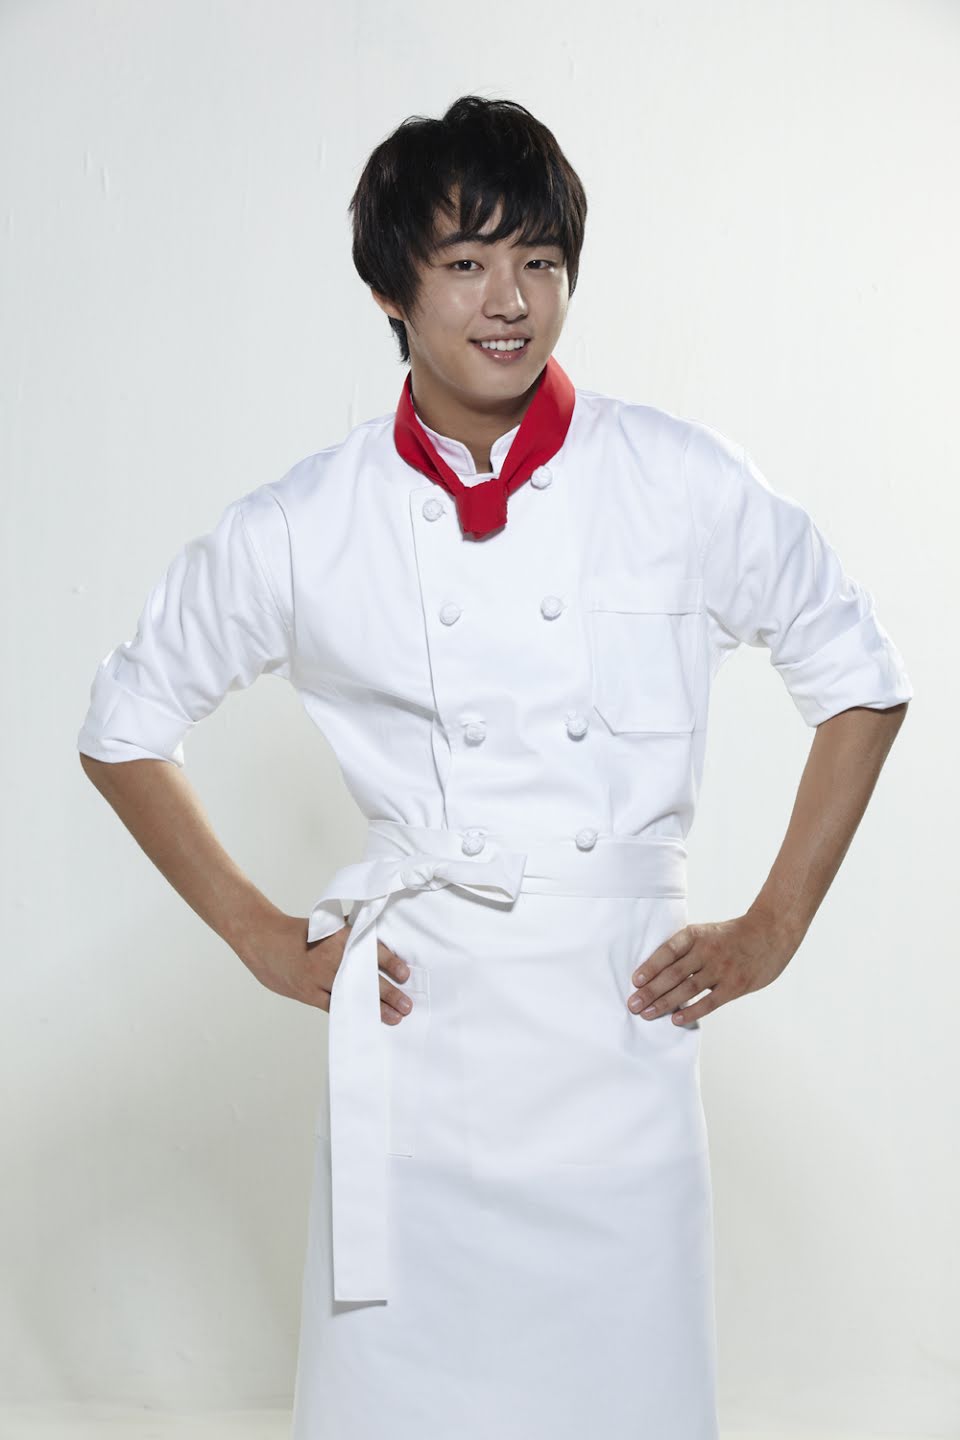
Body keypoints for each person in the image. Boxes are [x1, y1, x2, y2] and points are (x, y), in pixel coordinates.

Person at [77, 95, 913, 1440]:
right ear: (389, 290)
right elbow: (124, 721)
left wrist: (774, 925)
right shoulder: (307, 520)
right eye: (466, 262)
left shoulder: (678, 479)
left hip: (618, 1037)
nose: (511, 300)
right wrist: (261, 937)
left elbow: (859, 675)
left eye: (540, 260)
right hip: (421, 1047)